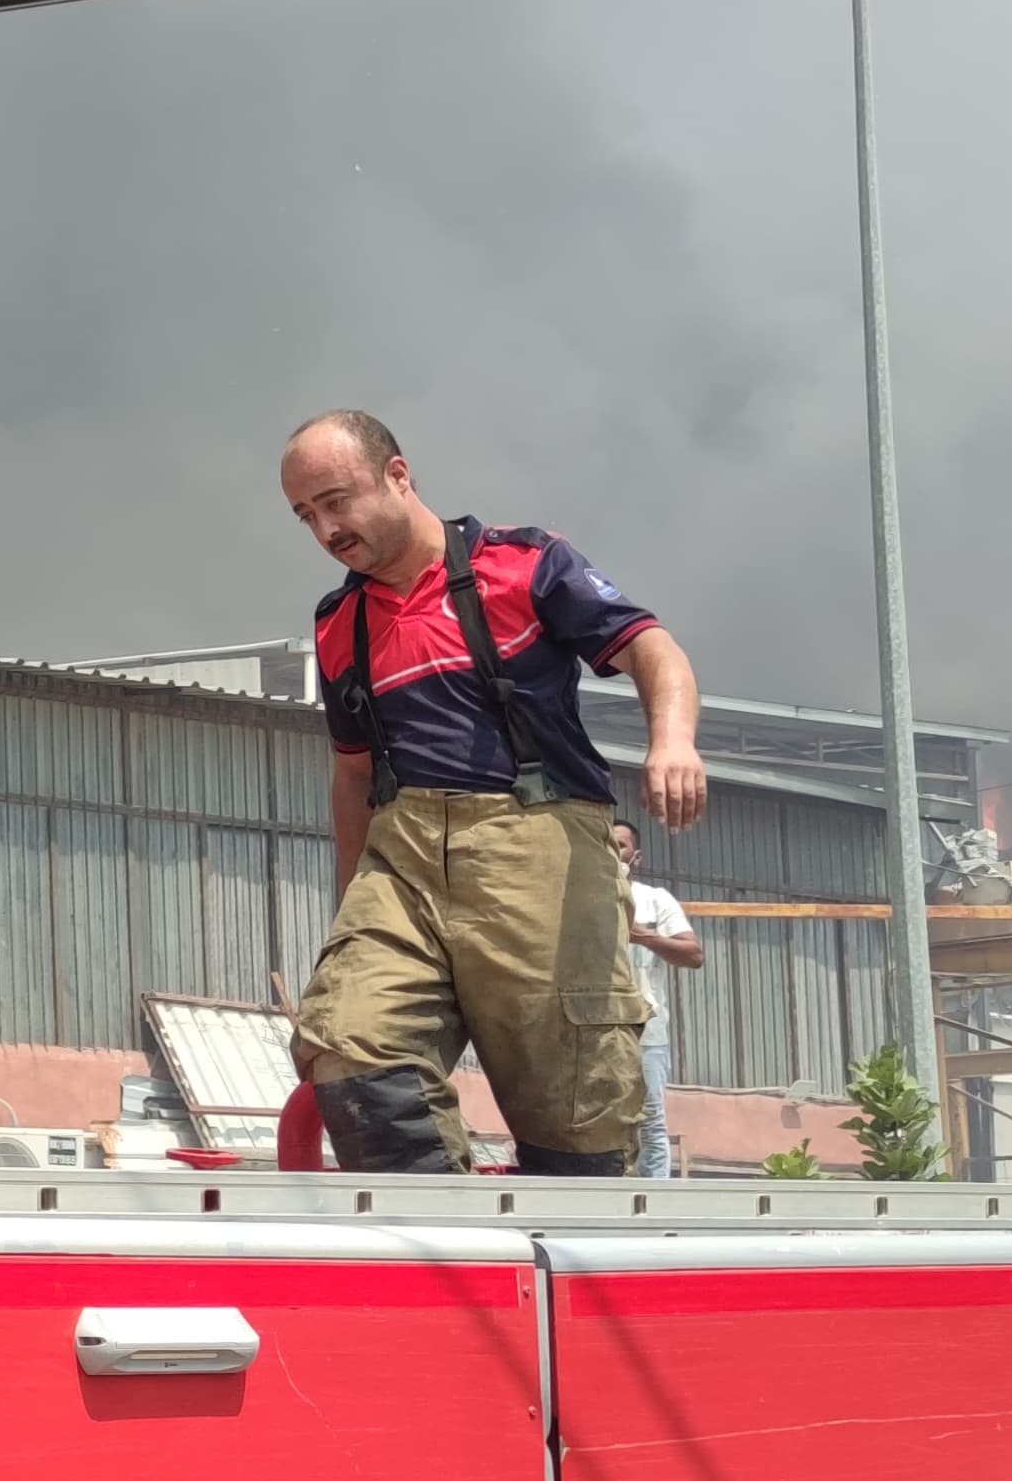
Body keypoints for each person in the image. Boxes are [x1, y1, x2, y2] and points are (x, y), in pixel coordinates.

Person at [277, 410, 704, 1175]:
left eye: (337, 500)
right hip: (401, 860)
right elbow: (351, 773)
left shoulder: (523, 564)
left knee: (577, 1112)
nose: (325, 529)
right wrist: (350, 911)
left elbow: (651, 647)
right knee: (346, 1040)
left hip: (537, 850)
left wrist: (671, 740)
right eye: (306, 514)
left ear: (398, 476)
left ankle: (573, 1264)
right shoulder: (341, 622)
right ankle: (444, 1250)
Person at [613, 815, 703, 1176]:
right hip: (591, 1033)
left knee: (650, 1122)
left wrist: (643, 936)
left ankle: (655, 1202)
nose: (611, 851)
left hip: (646, 1034)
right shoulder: (576, 899)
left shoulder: (653, 900)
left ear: (637, 856)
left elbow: (693, 955)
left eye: (619, 845)